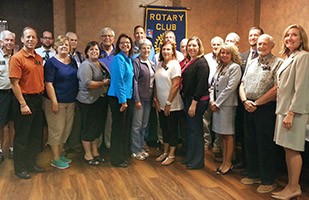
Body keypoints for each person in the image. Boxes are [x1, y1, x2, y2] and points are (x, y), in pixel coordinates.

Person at [239, 34, 283, 193]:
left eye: (265, 44)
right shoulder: (251, 63)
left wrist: (257, 103)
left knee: (265, 145)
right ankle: (253, 174)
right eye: (259, 44)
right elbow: (242, 84)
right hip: (248, 106)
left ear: (272, 46)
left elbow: (277, 88)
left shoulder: (278, 63)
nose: (261, 46)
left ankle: (268, 180)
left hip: (265, 109)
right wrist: (245, 101)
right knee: (250, 142)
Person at [271, 24, 309, 200]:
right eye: (287, 35)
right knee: (287, 148)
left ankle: (294, 187)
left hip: (294, 112)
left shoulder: (303, 57)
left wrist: (292, 112)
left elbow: (302, 88)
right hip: (283, 109)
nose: (289, 38)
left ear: (301, 39)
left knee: (293, 149)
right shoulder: (289, 57)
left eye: (294, 35)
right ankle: (291, 185)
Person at [9, 27, 45, 179]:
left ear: (36, 40)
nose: (30, 39)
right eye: (27, 37)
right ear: (22, 39)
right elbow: (14, 83)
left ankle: (31, 164)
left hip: (38, 100)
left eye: (33, 37)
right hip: (24, 100)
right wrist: (23, 104)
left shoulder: (38, 57)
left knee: (36, 135)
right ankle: (20, 168)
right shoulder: (17, 58)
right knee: (22, 137)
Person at [43, 35, 79, 169]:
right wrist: (54, 102)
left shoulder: (72, 61)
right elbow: (48, 83)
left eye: (66, 45)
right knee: (56, 130)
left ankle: (61, 153)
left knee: (66, 130)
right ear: (56, 47)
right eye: (61, 45)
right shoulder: (51, 63)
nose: (64, 47)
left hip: (71, 101)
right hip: (56, 102)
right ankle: (55, 158)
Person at [209, 43, 242, 175]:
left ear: (232, 54)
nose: (224, 55)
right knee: (221, 134)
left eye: (227, 53)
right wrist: (212, 100)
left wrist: (218, 103)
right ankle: (224, 161)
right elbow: (212, 86)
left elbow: (230, 88)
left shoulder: (235, 67)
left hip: (227, 106)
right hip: (216, 105)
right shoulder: (220, 67)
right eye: (222, 52)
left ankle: (228, 162)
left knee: (228, 134)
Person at [76, 41, 110, 166]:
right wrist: (103, 83)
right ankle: (88, 154)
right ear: (87, 52)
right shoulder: (86, 65)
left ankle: (95, 152)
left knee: (97, 128)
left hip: (100, 100)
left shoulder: (99, 63)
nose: (94, 51)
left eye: (96, 49)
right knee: (88, 128)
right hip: (88, 101)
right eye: (91, 50)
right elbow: (87, 84)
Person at [235, 27, 264, 170]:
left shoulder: (266, 57)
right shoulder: (242, 56)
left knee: (256, 137)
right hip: (242, 101)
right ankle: (245, 161)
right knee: (243, 134)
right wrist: (243, 99)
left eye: (256, 35)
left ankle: (255, 166)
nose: (253, 38)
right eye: (250, 35)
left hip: (259, 104)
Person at [181, 36, 209, 170]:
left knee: (196, 131)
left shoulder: (201, 63)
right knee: (191, 130)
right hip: (189, 99)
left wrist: (194, 103)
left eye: (194, 46)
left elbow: (201, 86)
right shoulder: (190, 61)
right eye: (189, 46)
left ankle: (196, 162)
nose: (191, 48)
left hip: (196, 101)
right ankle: (190, 158)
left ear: (199, 48)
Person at [154, 41, 183, 165]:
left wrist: (168, 102)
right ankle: (165, 152)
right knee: (164, 128)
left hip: (172, 104)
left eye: (168, 49)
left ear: (173, 51)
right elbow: (155, 82)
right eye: (164, 49)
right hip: (160, 103)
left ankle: (171, 154)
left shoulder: (175, 65)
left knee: (172, 129)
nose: (166, 51)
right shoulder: (159, 64)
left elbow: (176, 85)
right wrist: (155, 98)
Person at [107, 33, 134, 168]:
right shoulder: (118, 59)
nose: (125, 45)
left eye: (128, 43)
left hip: (126, 98)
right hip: (118, 99)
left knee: (124, 129)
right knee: (118, 129)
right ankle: (116, 159)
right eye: (122, 43)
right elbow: (118, 81)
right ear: (118, 45)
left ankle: (123, 155)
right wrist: (123, 101)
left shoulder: (127, 59)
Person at [131, 38, 155, 160]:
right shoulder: (136, 62)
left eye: (148, 48)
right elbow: (134, 82)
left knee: (144, 125)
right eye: (143, 48)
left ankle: (140, 147)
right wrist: (137, 99)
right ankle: (135, 150)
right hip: (139, 98)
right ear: (139, 49)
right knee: (137, 125)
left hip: (149, 98)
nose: (146, 50)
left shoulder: (152, 63)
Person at [203, 36, 224, 153]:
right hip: (207, 92)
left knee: (218, 120)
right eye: (214, 44)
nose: (215, 47)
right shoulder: (206, 58)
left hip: (220, 95)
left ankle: (217, 144)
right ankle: (207, 142)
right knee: (205, 120)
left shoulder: (225, 58)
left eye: (218, 44)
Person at [98, 27, 115, 151]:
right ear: (101, 38)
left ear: (113, 38)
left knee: (110, 119)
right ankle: (97, 145)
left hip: (113, 91)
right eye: (104, 36)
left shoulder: (118, 52)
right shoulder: (95, 50)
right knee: (98, 118)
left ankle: (108, 144)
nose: (107, 38)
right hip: (98, 91)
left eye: (109, 36)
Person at [0, 30, 15, 163]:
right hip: (1, 94)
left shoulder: (16, 57)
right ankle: (0, 150)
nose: (9, 42)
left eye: (11, 40)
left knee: (13, 123)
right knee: (1, 123)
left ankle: (11, 148)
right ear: (1, 42)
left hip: (15, 94)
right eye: (7, 40)